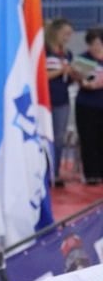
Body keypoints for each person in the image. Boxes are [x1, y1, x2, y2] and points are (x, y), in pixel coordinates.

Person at [44, 18, 78, 186]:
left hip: (61, 99)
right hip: (45, 99)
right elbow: (41, 76)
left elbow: (66, 79)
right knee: (44, 137)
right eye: (64, 34)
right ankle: (43, 171)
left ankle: (55, 172)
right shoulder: (44, 51)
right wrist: (61, 70)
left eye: (69, 35)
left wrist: (73, 75)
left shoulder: (67, 53)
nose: (67, 38)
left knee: (59, 137)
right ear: (55, 32)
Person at [75, 27, 103, 185]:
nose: (95, 47)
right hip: (86, 103)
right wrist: (84, 83)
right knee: (88, 138)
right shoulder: (83, 58)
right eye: (92, 44)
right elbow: (79, 77)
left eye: (98, 44)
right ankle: (91, 173)